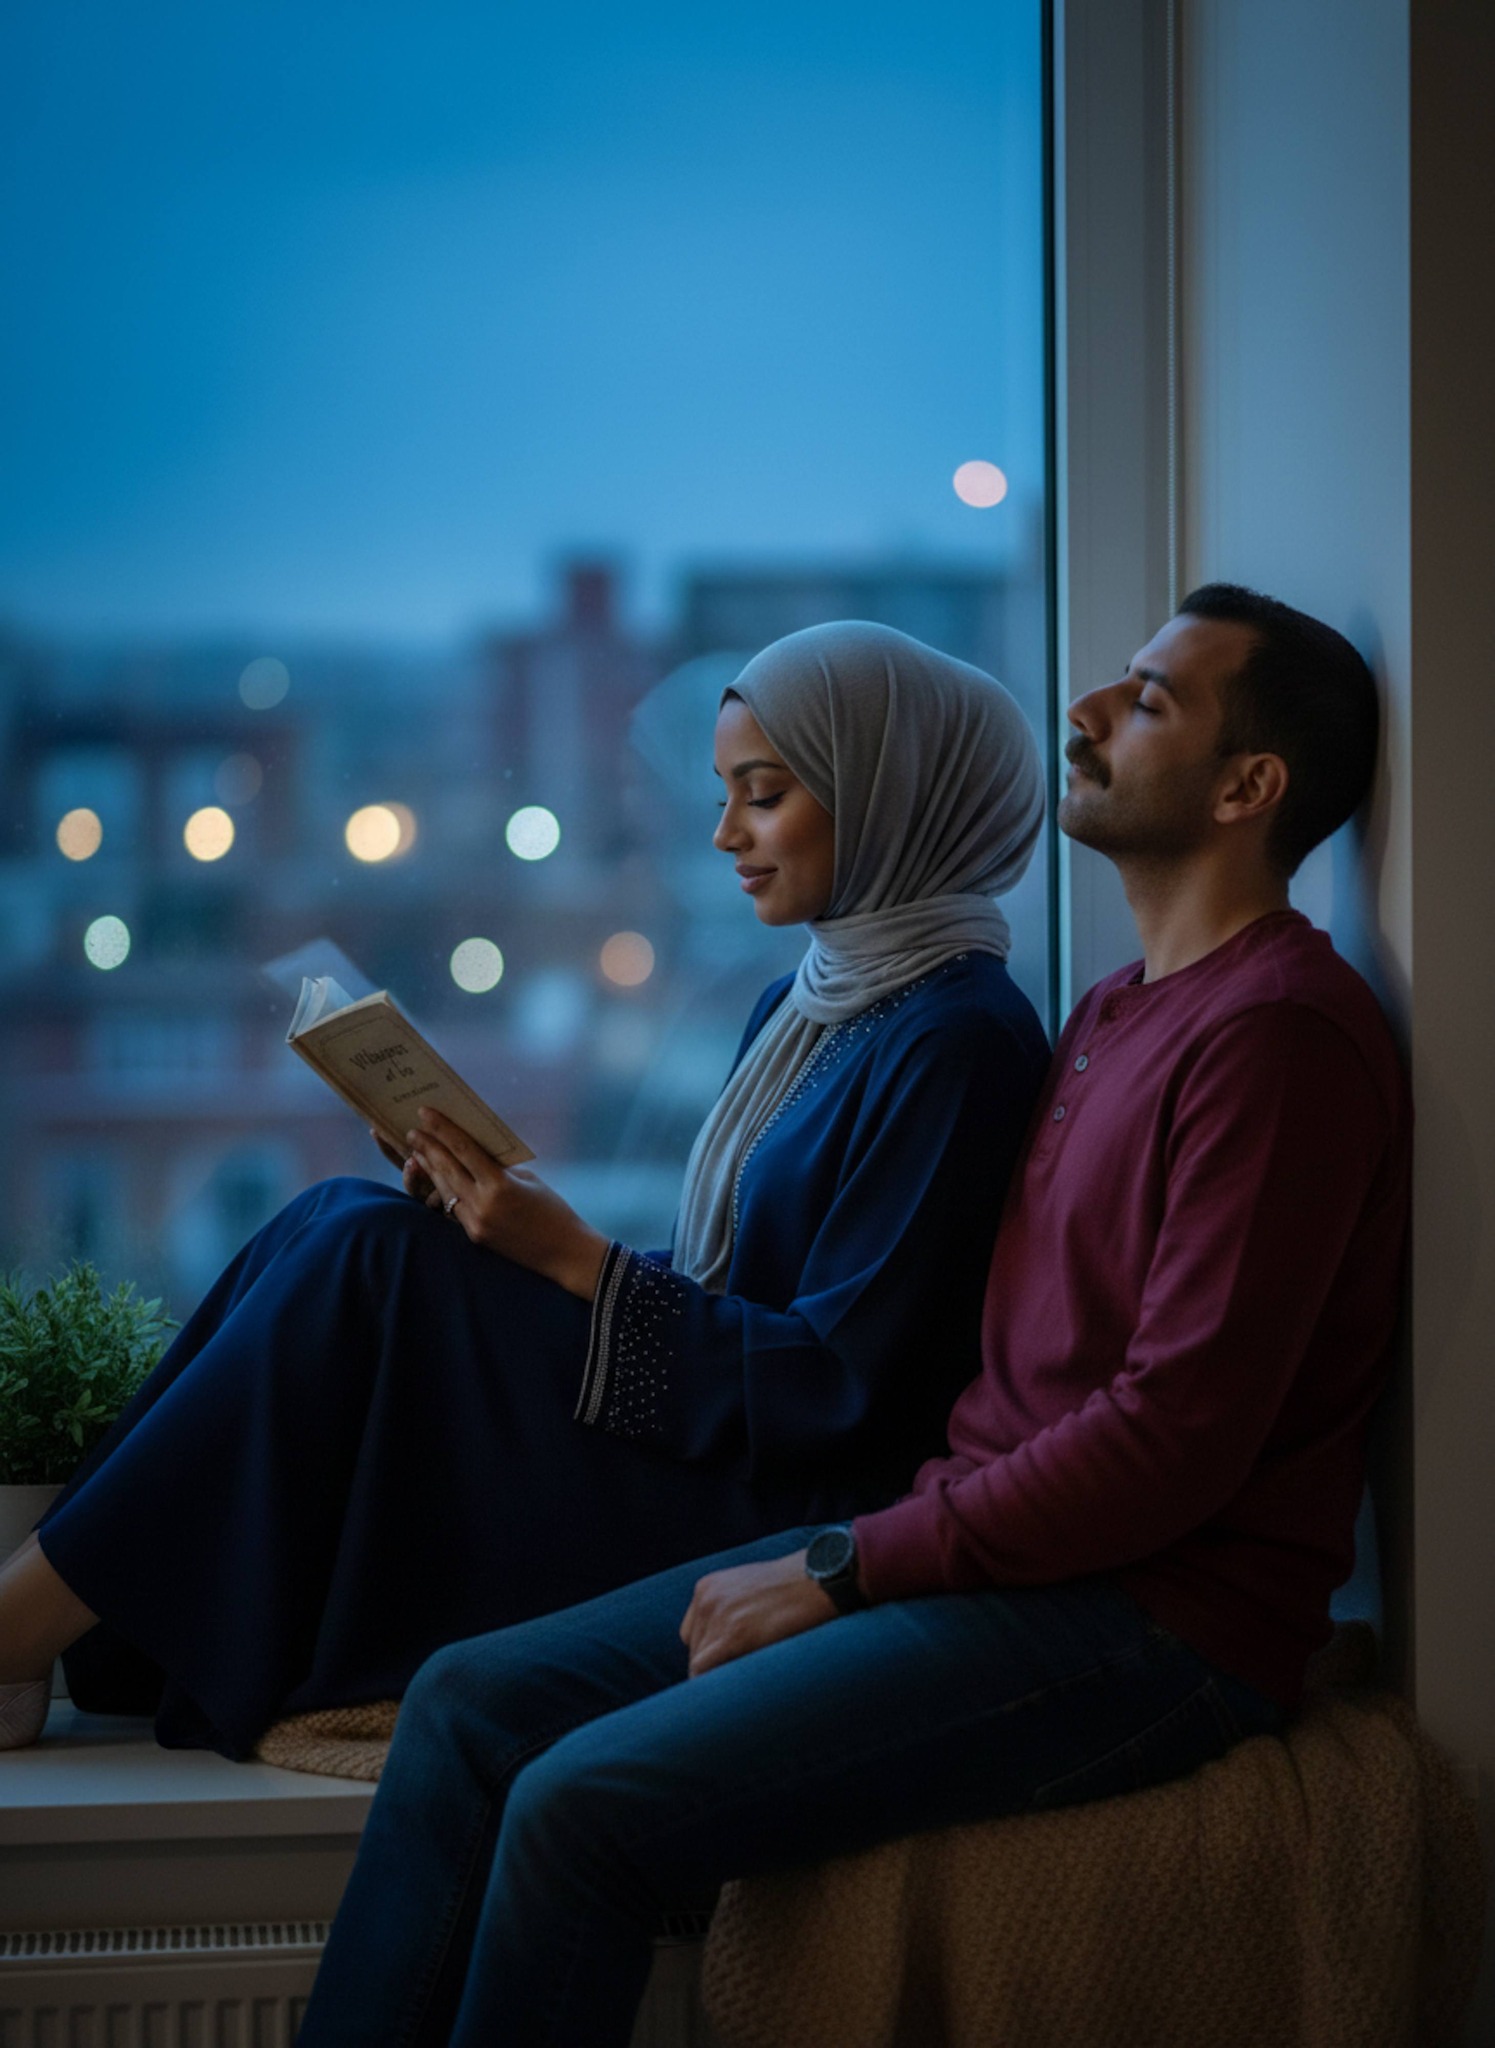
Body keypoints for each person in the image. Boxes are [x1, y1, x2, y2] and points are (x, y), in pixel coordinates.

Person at [295, 584, 1412, 2048]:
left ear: (1245, 787)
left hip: (1150, 1626)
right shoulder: (1115, 1012)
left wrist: (843, 1563)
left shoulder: (1275, 1038)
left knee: (580, 1808)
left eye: (1144, 703)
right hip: (995, 1557)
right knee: (462, 1703)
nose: (1080, 713)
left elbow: (1171, 1439)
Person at [0, 621, 1050, 1759]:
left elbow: (847, 1393)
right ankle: (59, 1629)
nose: (725, 834)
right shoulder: (813, 1006)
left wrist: (568, 1259)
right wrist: (514, 1228)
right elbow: (731, 1289)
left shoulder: (960, 1043)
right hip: (721, 1429)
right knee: (342, 1217)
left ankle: (18, 1631)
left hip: (777, 1514)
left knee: (369, 1258)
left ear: (889, 793)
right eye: (722, 794)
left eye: (764, 794)